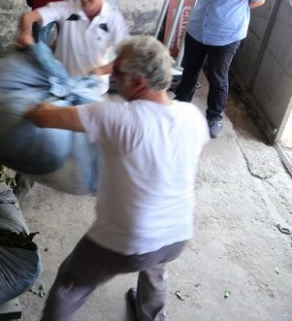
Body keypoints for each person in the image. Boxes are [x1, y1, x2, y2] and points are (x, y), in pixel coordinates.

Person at [24, 35, 210, 321]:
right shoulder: (192, 116)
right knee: (156, 269)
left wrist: (32, 103)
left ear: (138, 83)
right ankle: (152, 316)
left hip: (129, 239)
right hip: (177, 233)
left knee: (70, 283)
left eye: (118, 72)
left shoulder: (116, 117)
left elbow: (43, 117)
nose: (112, 75)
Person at [174, 0, 267, 138]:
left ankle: (214, 117)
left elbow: (258, 0)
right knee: (189, 72)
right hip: (198, 28)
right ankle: (179, 110)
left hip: (225, 35)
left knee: (218, 78)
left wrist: (228, 11)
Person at [16, 0, 128, 95]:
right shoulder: (67, 7)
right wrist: (25, 34)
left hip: (94, 90)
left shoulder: (114, 19)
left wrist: (102, 70)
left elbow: (127, 57)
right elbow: (28, 17)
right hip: (61, 85)